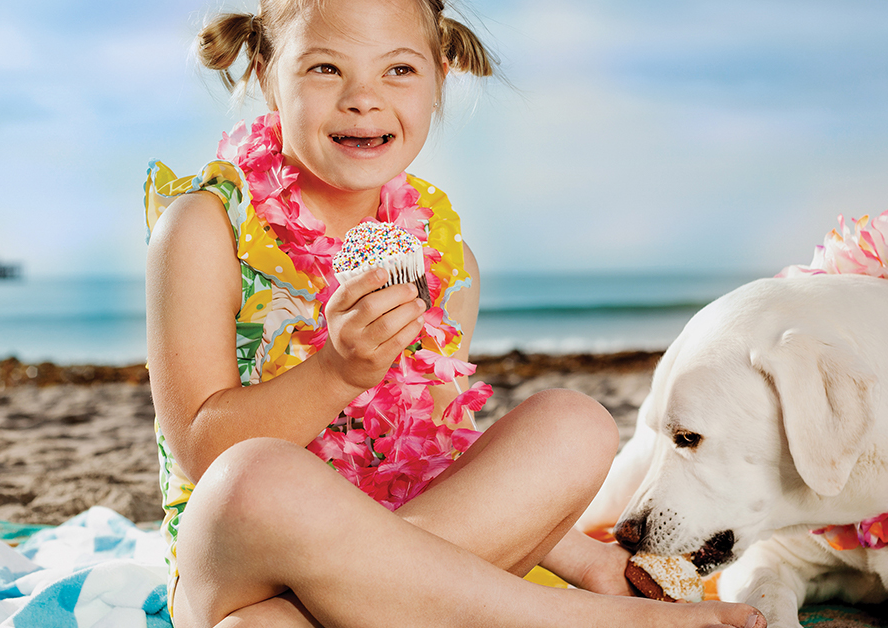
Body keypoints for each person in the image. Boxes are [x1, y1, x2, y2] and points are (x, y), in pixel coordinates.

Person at [143, 0, 767, 626]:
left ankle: (359, 609)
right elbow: (203, 452)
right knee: (258, 475)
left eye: (399, 71)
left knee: (576, 423)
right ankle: (573, 619)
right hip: (238, 562)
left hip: (382, 562)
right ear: (263, 73)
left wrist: (589, 561)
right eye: (325, 68)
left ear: (440, 77)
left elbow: (434, 458)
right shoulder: (206, 227)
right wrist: (338, 371)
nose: (364, 99)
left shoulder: (445, 261)